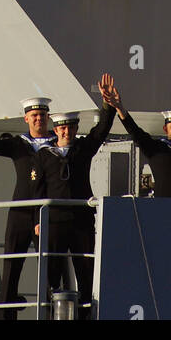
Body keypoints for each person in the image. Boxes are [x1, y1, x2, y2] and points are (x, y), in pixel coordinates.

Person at [0, 97, 56, 320]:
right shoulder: (18, 144)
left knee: (52, 267)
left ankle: (55, 313)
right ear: (26, 119)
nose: (38, 120)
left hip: (47, 213)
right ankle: (5, 316)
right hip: (21, 214)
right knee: (11, 267)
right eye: (34, 116)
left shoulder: (56, 144)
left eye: (42, 116)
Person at [34, 73, 117, 318]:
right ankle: (50, 313)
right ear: (55, 129)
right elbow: (37, 189)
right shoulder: (44, 155)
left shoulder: (82, 150)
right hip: (56, 221)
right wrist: (37, 220)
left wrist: (107, 105)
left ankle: (86, 314)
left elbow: (101, 130)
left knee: (85, 270)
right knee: (52, 272)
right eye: (62, 128)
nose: (66, 131)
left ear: (75, 128)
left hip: (80, 220)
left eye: (70, 127)